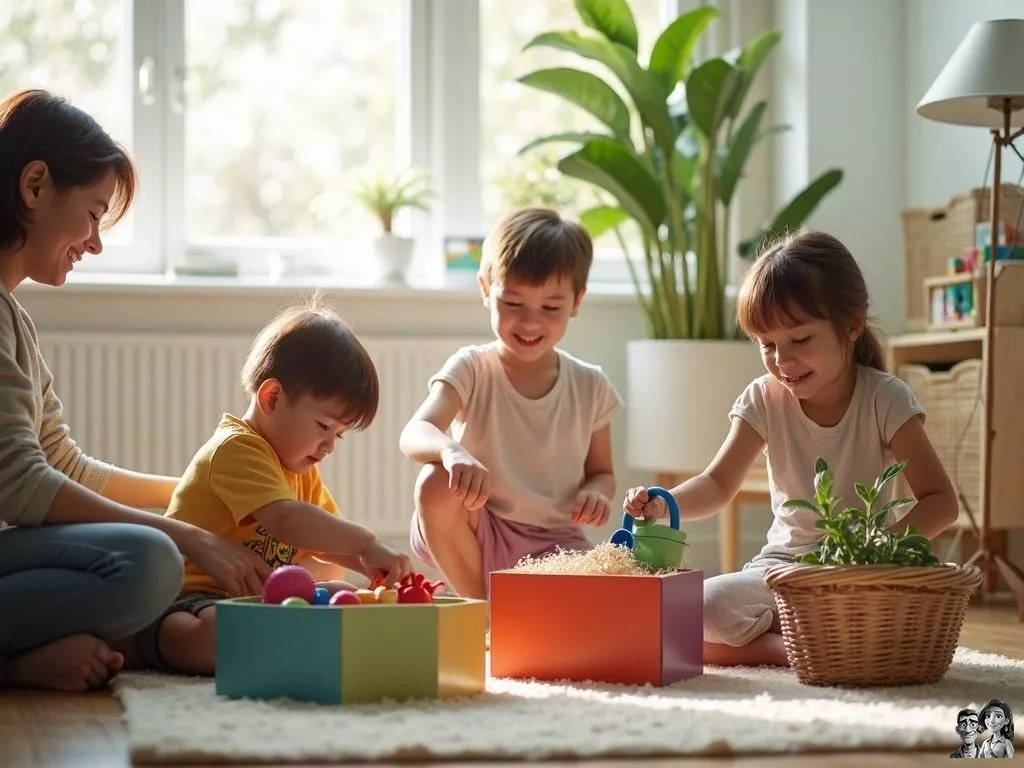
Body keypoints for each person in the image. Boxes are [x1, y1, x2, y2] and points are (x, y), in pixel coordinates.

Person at [0, 89, 273, 692]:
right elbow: (19, 486)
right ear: (35, 185)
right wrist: (188, 533)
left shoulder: (13, 317)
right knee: (149, 560)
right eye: (94, 213)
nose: (95, 242)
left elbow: (60, 462)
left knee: (151, 555)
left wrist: (201, 497)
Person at [623, 230, 958, 667]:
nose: (783, 361)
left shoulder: (885, 398)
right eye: (768, 345)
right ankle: (801, 650)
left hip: (860, 572)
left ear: (852, 324)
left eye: (800, 340)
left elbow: (941, 503)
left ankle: (802, 636)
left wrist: (878, 552)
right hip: (783, 569)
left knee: (898, 618)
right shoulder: (763, 399)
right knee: (693, 611)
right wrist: (663, 505)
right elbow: (718, 484)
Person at [129, 299, 414, 675]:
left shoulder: (301, 468)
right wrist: (365, 542)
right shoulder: (236, 448)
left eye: (339, 436)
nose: (329, 446)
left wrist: (369, 564)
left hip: (262, 602)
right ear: (272, 398)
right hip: (195, 599)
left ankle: (281, 647)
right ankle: (135, 641)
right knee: (218, 633)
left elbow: (322, 541)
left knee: (341, 598)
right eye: (324, 427)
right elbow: (286, 520)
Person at [399, 207, 623, 599]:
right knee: (435, 482)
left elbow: (602, 472)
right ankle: (484, 612)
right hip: (481, 529)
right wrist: (451, 450)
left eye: (550, 307)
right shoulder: (472, 367)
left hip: (558, 543)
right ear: (486, 289)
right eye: (514, 303)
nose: (531, 322)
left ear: (576, 301)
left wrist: (597, 493)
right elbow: (415, 432)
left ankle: (521, 614)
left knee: (609, 615)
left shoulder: (591, 384)